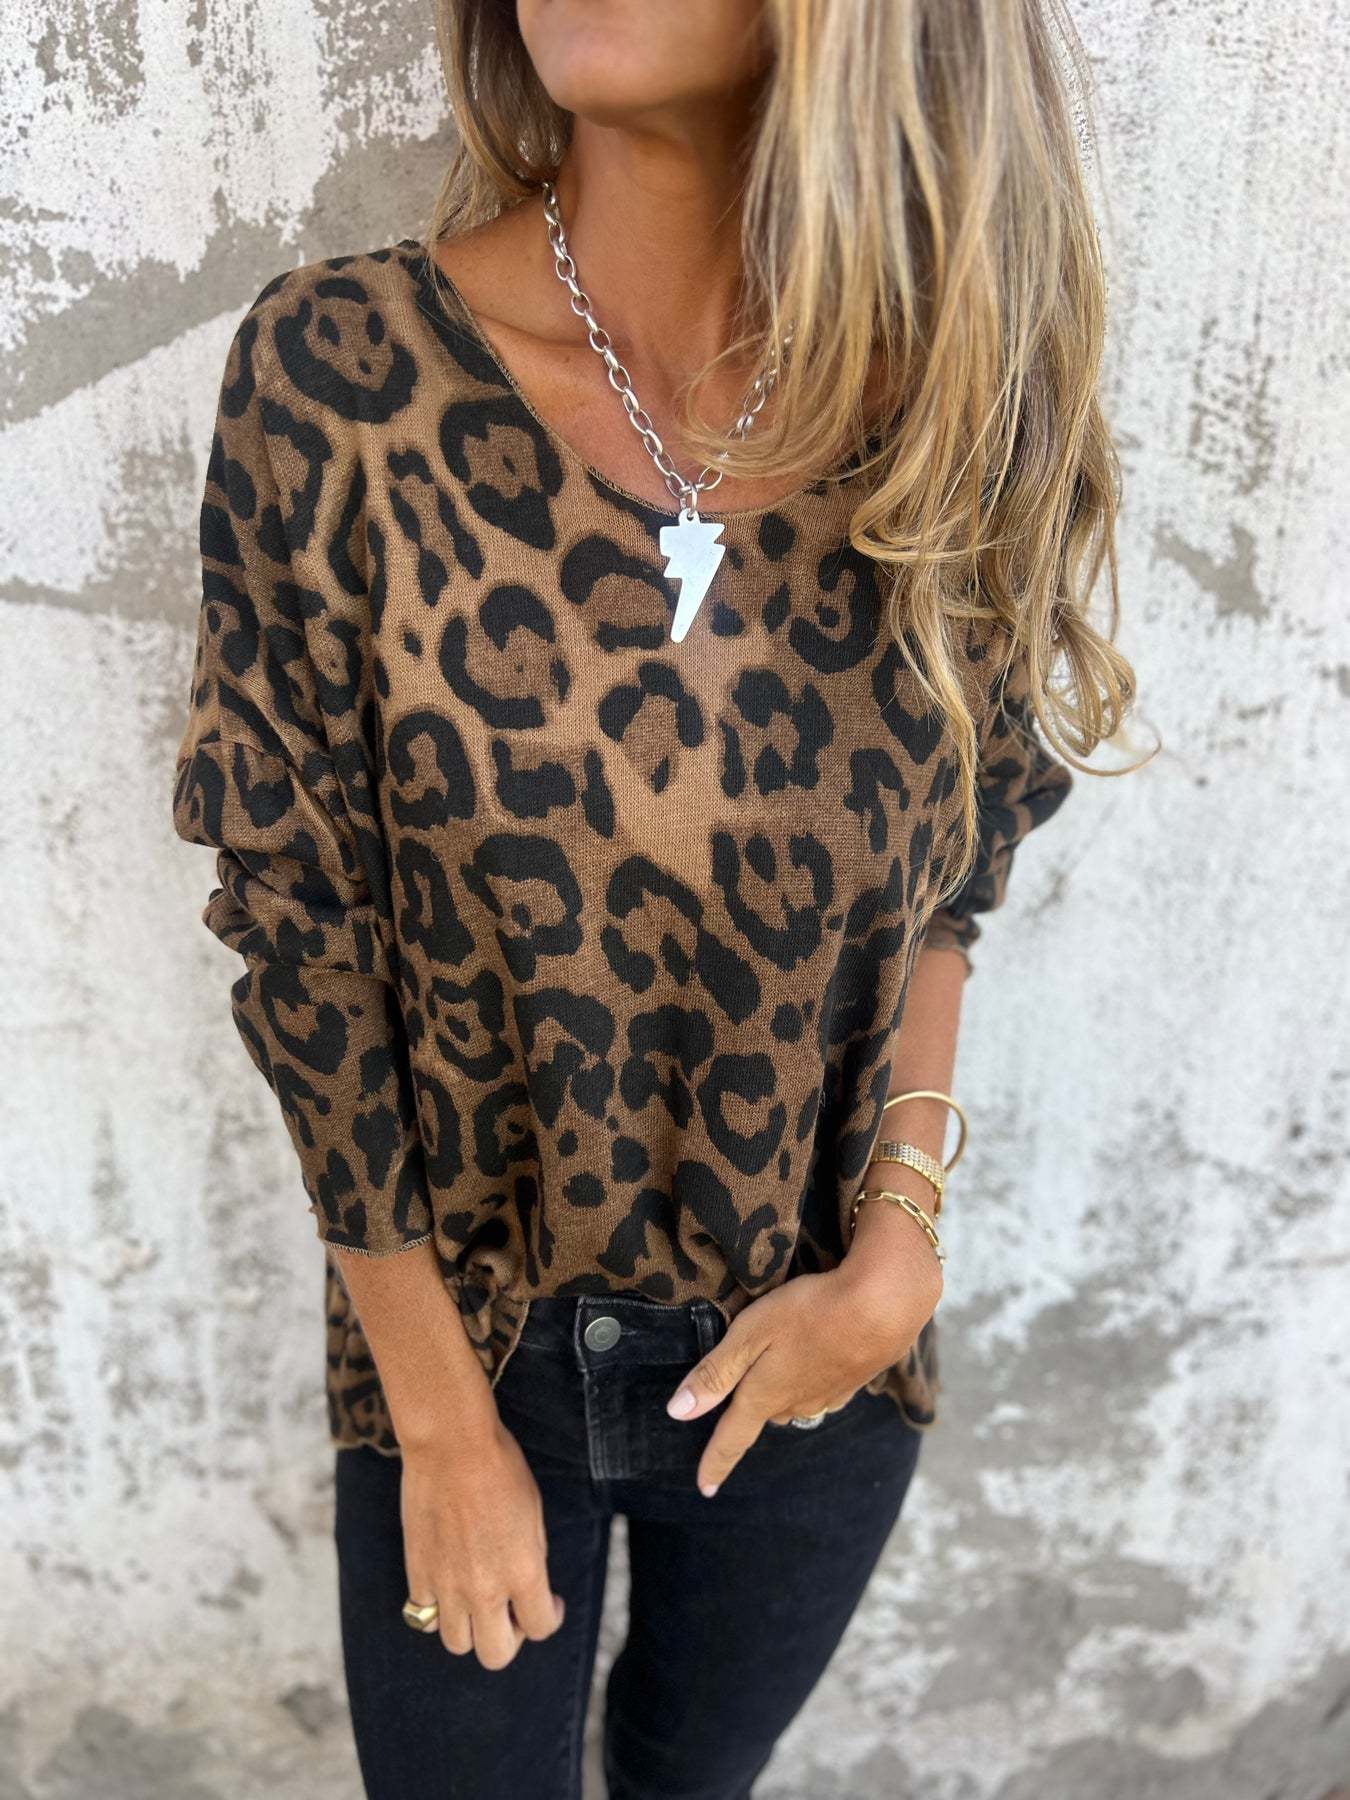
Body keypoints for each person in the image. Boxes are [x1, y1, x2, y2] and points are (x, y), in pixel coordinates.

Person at [171, 2, 1140, 1794]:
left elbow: (949, 887)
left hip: (810, 1345)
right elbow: (298, 928)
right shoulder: (343, 374)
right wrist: (440, 1426)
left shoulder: (950, 408)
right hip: (465, 1345)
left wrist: (897, 1247)